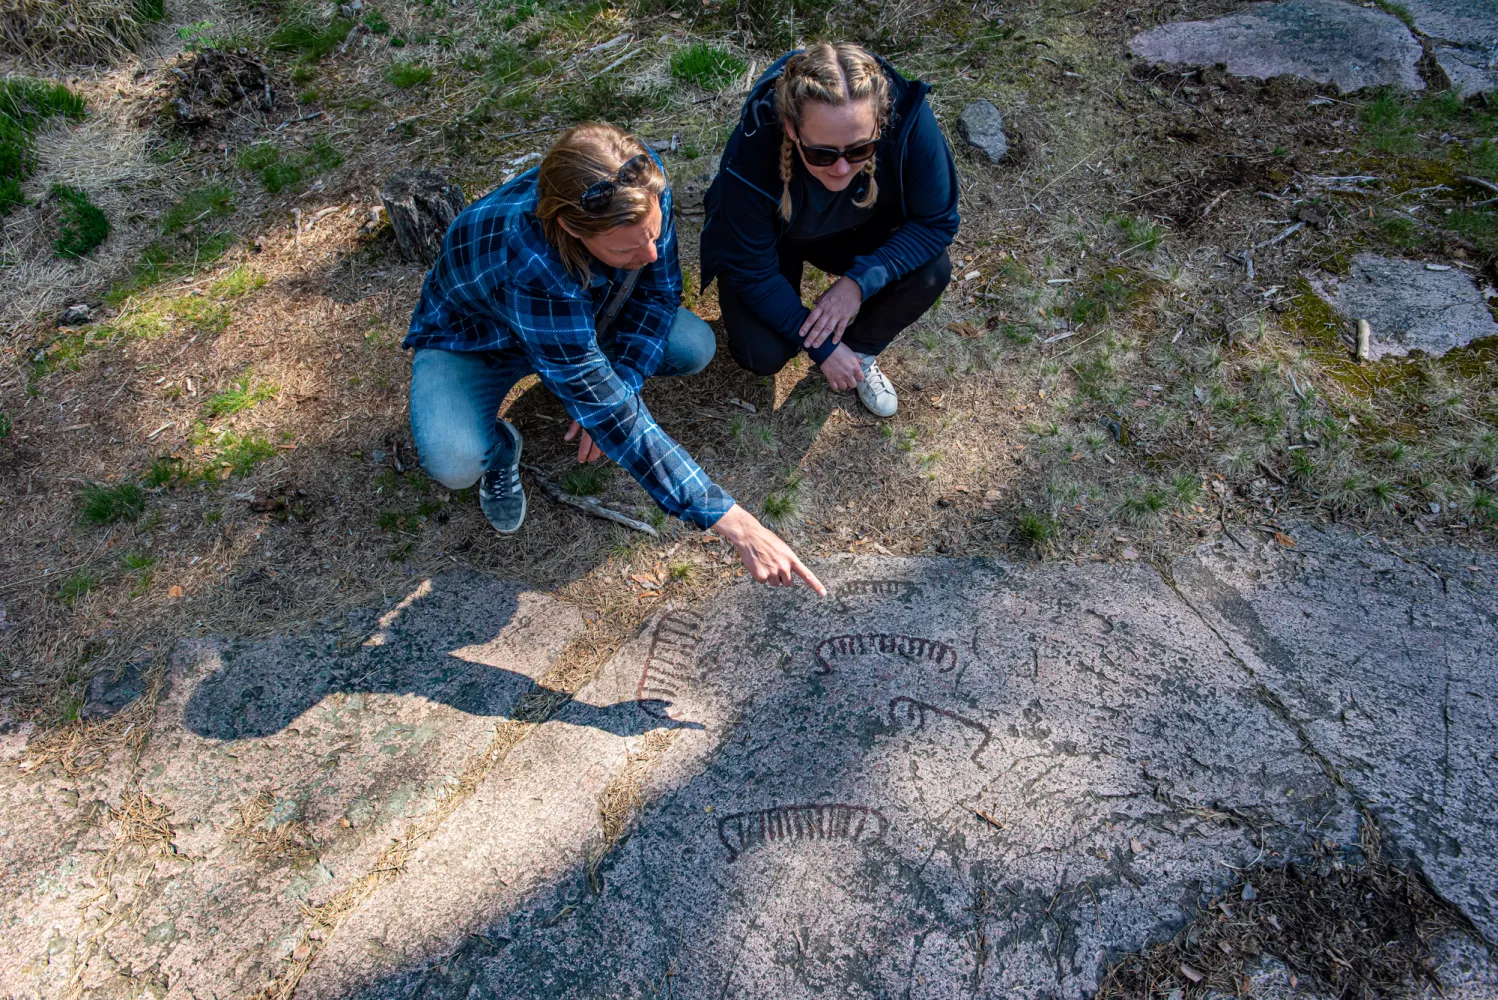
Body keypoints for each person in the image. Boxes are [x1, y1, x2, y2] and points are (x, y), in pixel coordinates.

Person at [403, 122, 824, 594]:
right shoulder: (529, 262)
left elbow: (660, 295)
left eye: (654, 235)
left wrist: (619, 379)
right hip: (476, 340)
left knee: (691, 345)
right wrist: (739, 525)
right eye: (626, 248)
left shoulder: (641, 185)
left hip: (574, 319)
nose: (649, 254)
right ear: (571, 228)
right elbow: (619, 421)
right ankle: (501, 444)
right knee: (456, 461)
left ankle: (573, 374)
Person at [700, 42, 959, 417]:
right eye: (822, 154)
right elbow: (752, 270)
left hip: (859, 228)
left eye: (859, 150)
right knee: (761, 352)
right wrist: (821, 347)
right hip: (777, 238)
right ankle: (832, 348)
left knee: (931, 270)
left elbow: (937, 221)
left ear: (880, 123)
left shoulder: (909, 119)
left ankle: (858, 353)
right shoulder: (754, 144)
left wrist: (858, 283)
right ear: (791, 128)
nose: (840, 169)